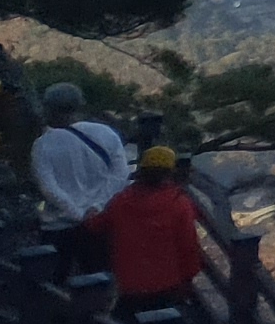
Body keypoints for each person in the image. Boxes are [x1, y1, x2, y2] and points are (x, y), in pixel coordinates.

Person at [85, 148, 211, 310]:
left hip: (129, 285)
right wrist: (188, 277)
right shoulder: (179, 204)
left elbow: (96, 226)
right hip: (168, 284)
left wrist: (90, 214)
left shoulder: (122, 201)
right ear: (170, 172)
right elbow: (188, 246)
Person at [30, 83, 130, 243]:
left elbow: (49, 188)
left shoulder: (42, 144)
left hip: (60, 227)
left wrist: (79, 214)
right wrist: (98, 207)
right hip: (102, 222)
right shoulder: (106, 133)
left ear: (50, 108)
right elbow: (120, 175)